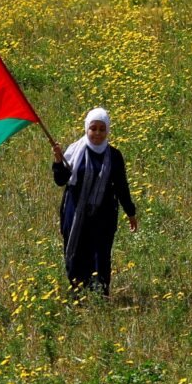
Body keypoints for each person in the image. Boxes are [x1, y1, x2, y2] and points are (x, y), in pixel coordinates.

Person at [52, 108, 137, 296]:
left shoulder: (114, 156)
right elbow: (61, 180)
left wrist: (130, 212)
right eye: (93, 128)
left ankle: (100, 296)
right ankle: (78, 295)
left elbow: (122, 186)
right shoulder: (74, 151)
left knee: (101, 255)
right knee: (76, 252)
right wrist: (58, 161)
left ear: (107, 130)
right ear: (86, 129)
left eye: (102, 129)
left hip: (103, 216)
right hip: (75, 214)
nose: (97, 133)